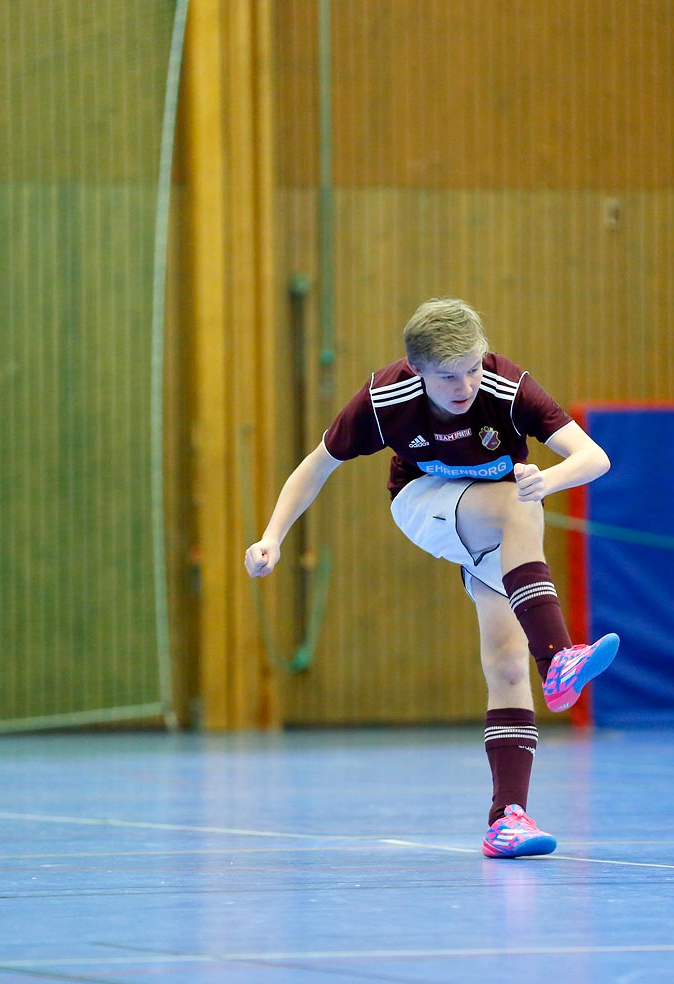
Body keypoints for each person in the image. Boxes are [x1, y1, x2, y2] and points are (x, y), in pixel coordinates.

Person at [243, 297, 620, 859]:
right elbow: (314, 466)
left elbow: (594, 458)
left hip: (490, 526)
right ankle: (560, 659)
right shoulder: (382, 399)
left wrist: (552, 477)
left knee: (508, 662)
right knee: (520, 505)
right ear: (416, 371)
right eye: (448, 376)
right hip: (423, 506)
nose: (466, 384)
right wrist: (272, 536)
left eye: (473, 366)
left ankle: (507, 818)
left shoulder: (506, 386)